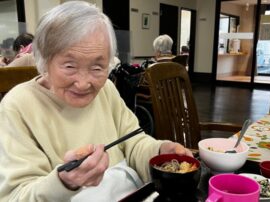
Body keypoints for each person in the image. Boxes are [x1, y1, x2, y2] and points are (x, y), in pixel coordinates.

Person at [0, 1, 192, 201]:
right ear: (44, 61)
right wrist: (65, 182)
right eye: (69, 66)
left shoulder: (106, 90)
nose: (83, 84)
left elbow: (134, 142)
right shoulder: (18, 106)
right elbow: (16, 196)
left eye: (97, 67)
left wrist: (159, 150)